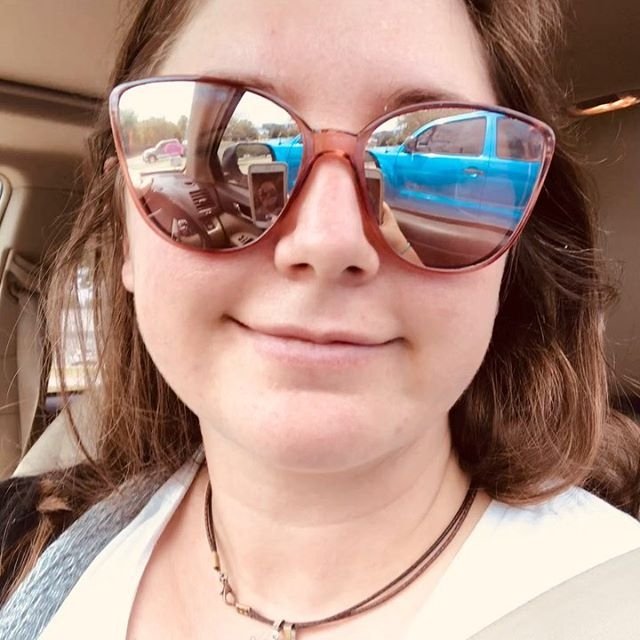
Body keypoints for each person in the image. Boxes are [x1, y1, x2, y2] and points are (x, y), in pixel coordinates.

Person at [1, 0, 640, 639]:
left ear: (509, 256)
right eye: (224, 150)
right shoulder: (25, 538)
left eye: (439, 160)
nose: (328, 243)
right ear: (126, 229)